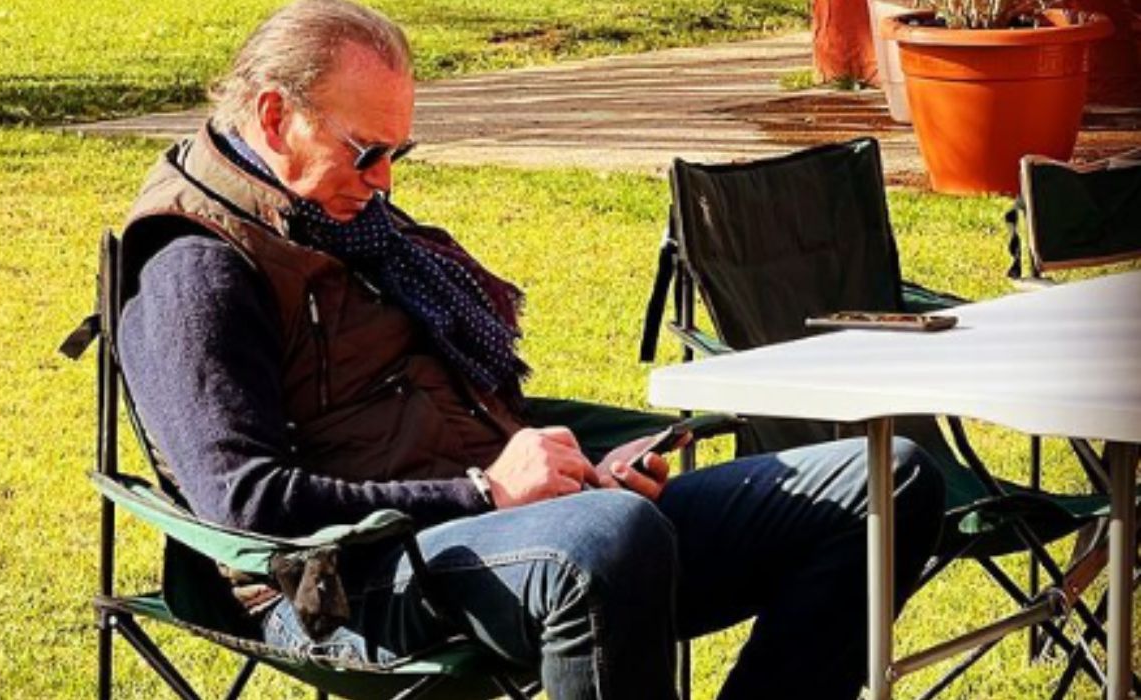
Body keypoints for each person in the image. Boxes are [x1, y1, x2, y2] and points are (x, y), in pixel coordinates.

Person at [117, 1, 945, 697]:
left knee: (889, 483)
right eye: (366, 152)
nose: (385, 182)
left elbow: (448, 409)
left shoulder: (347, 222)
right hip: (344, 582)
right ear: (274, 117)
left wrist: (576, 470)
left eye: (397, 154)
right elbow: (246, 502)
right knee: (609, 541)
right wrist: (486, 492)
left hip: (494, 528)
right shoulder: (197, 264)